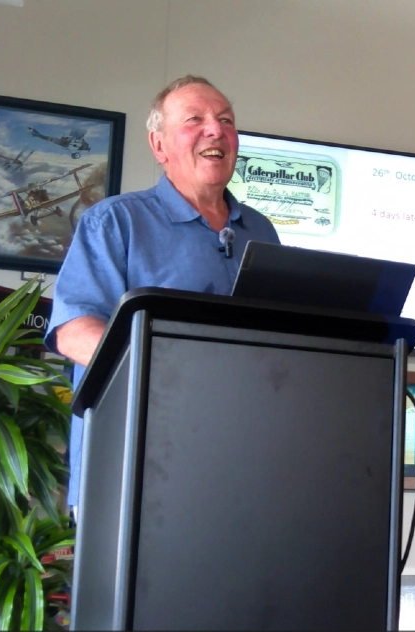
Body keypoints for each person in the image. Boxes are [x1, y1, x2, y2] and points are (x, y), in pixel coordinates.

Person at [45, 75, 282, 512]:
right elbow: (73, 332)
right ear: (159, 147)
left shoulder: (261, 231)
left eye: (226, 120)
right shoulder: (114, 222)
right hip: (133, 468)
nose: (216, 130)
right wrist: (169, 366)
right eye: (195, 119)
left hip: (239, 462)